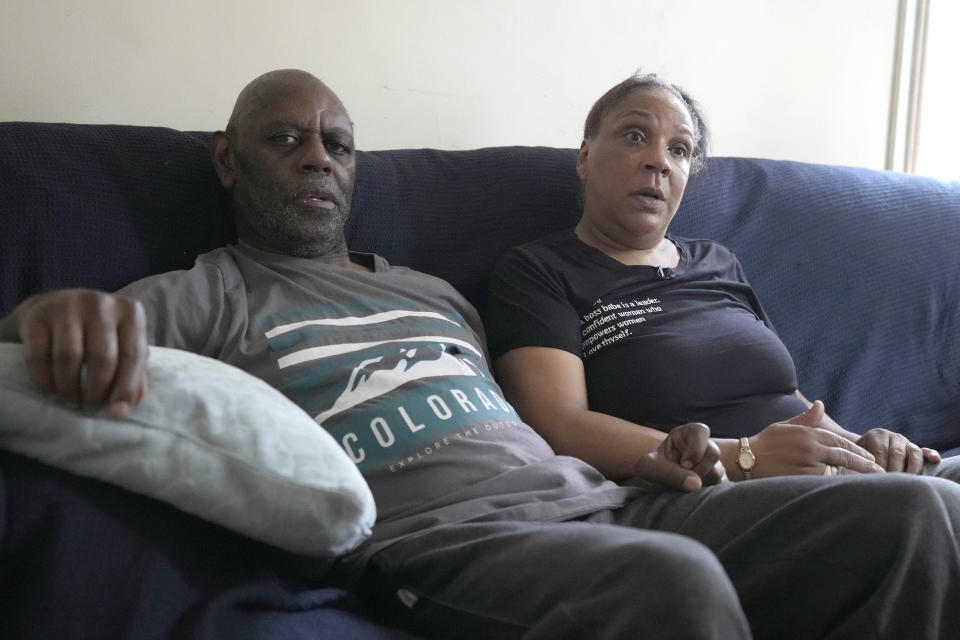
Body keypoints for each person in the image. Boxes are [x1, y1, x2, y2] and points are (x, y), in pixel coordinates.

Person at [2, 68, 960, 640]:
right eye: (283, 138)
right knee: (674, 589)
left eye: (335, 142)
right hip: (448, 542)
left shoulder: (435, 291)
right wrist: (54, 309)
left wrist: (669, 459)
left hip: (614, 502)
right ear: (228, 158)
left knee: (913, 515)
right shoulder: (210, 289)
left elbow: (544, 430)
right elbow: (55, 338)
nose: (314, 157)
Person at [485, 72, 960, 486]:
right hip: (702, 488)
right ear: (585, 157)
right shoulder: (538, 271)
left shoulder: (717, 260)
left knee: (944, 482)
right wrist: (746, 456)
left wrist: (862, 445)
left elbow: (788, 400)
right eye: (634, 136)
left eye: (680, 150)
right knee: (928, 506)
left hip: (815, 473)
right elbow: (557, 422)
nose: (659, 161)